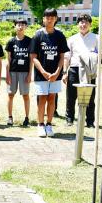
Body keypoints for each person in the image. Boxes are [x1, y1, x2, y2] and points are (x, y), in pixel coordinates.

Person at [31, 8, 68, 138]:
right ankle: (40, 125)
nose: (50, 19)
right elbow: (34, 57)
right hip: (41, 74)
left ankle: (49, 124)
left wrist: (58, 72)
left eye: (52, 17)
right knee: (42, 99)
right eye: (47, 17)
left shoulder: (60, 35)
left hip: (55, 75)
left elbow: (62, 56)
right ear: (43, 19)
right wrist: (44, 72)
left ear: (56, 19)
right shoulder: (38, 35)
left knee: (52, 98)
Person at [63, 13, 101, 129]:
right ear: (78, 24)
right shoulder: (72, 39)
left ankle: (90, 121)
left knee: (90, 96)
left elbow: (101, 54)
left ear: (90, 24)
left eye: (86, 22)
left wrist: (90, 57)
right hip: (74, 69)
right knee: (71, 95)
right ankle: (69, 118)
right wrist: (65, 72)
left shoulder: (96, 38)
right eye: (81, 22)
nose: (83, 24)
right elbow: (67, 56)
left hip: (89, 70)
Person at [5, 18, 32, 127]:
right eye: (18, 24)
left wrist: (30, 74)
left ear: (26, 27)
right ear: (15, 26)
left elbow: (31, 59)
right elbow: (8, 60)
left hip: (25, 72)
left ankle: (26, 118)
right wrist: (7, 75)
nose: (20, 26)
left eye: (23, 24)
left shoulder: (30, 41)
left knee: (25, 95)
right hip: (13, 72)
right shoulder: (11, 42)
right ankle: (10, 117)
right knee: (11, 94)